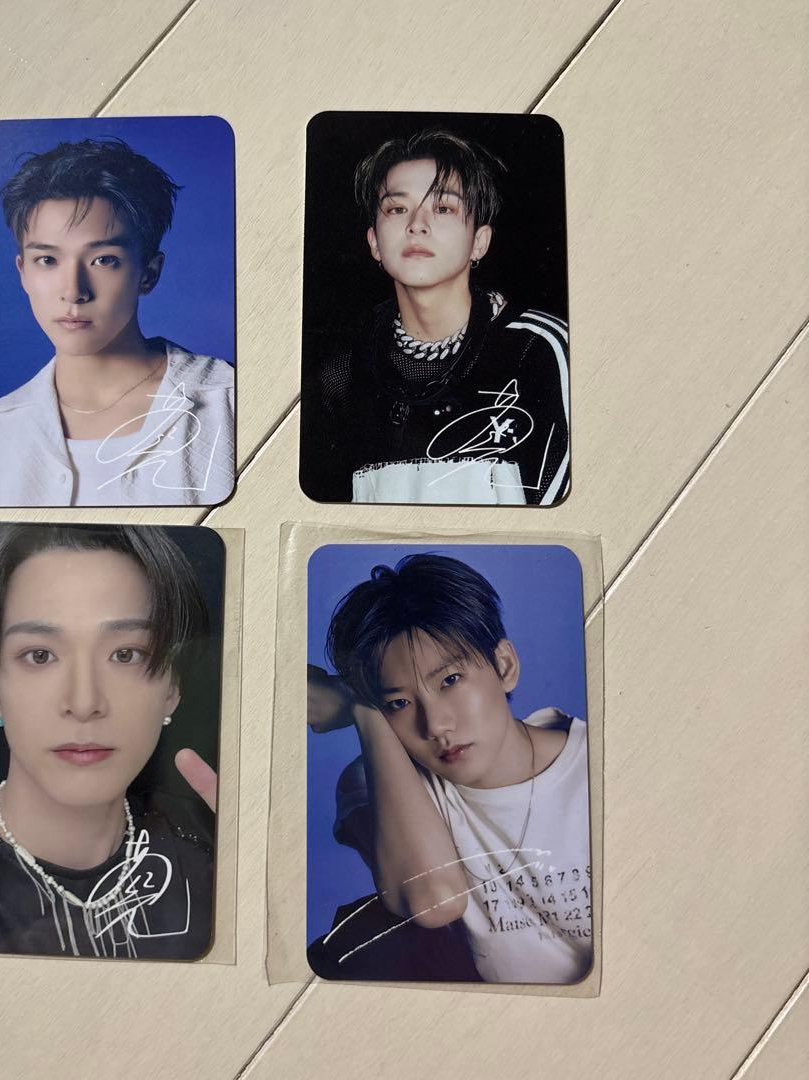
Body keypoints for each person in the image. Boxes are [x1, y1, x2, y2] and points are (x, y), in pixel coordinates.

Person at [0, 524, 219, 959]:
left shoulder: (211, 842)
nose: (84, 703)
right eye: (40, 655)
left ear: (172, 688)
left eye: (125, 654)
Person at [307, 554, 591, 983]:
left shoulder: (597, 763)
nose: (435, 725)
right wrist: (364, 706)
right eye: (399, 703)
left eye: (450, 681)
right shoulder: (374, 783)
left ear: (504, 666)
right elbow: (433, 901)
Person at [301, 128, 569, 505]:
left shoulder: (538, 350)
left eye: (443, 208)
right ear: (374, 242)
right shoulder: (342, 375)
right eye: (397, 209)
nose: (417, 224)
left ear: (479, 241)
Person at [0, 138, 235, 507]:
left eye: (104, 260)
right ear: (23, 273)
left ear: (148, 273)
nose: (73, 292)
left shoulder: (229, 403)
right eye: (47, 260)